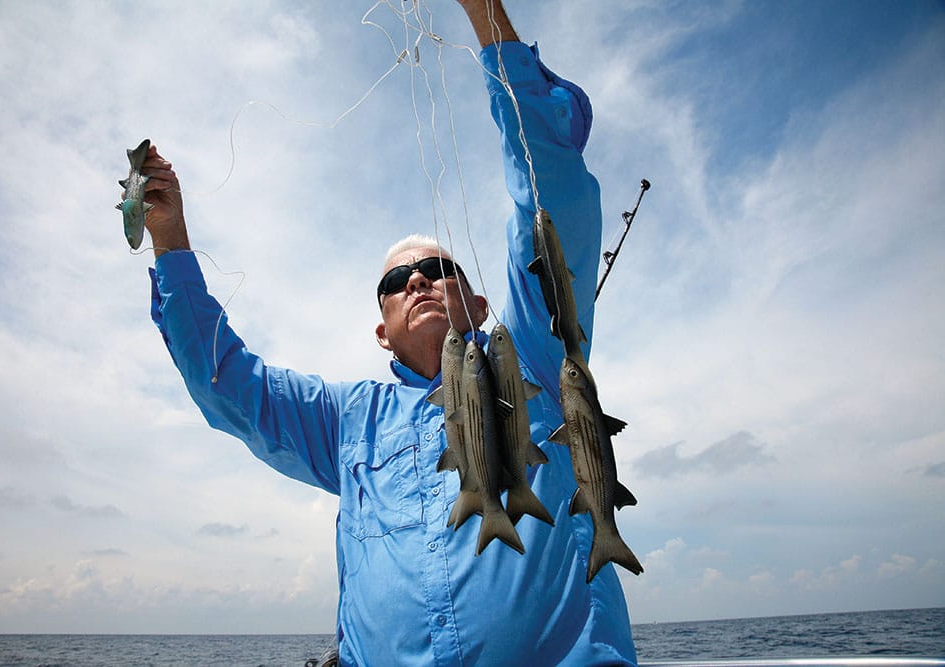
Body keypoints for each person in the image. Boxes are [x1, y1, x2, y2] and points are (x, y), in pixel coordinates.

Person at [139, 1, 638, 664]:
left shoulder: (538, 359)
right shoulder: (348, 419)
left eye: (438, 269)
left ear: (482, 303)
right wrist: (169, 240)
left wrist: (485, 15)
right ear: (381, 330)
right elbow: (225, 381)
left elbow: (555, 198)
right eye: (397, 281)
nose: (418, 282)